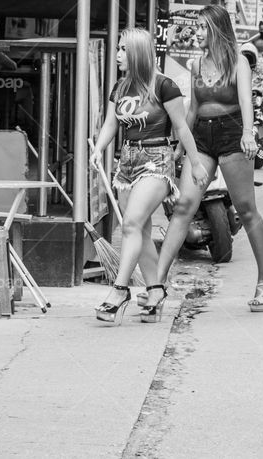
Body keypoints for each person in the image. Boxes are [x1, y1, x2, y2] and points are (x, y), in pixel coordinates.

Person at [152, 4, 263, 312]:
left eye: (202, 27)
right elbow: (193, 108)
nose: (196, 33)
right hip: (202, 139)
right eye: (196, 27)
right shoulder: (196, 65)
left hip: (232, 134)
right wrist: (183, 144)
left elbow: (247, 100)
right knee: (184, 207)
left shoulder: (238, 63)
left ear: (217, 30)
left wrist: (249, 133)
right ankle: (156, 285)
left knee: (247, 211)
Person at [89, 29, 208, 325]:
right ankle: (155, 292)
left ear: (137, 54)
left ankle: (120, 290)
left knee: (129, 224)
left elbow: (181, 128)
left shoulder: (164, 86)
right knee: (139, 231)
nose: (117, 54)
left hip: (156, 161)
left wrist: (195, 163)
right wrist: (99, 149)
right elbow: (110, 124)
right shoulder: (120, 87)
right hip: (126, 163)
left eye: (122, 49)